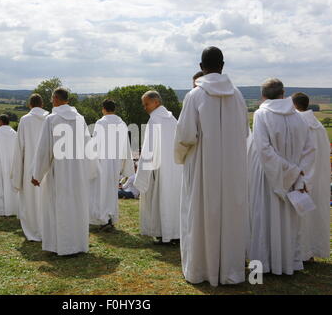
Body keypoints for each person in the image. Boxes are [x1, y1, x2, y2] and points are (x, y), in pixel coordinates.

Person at [174, 47, 249, 286]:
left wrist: (180, 157)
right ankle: (229, 270)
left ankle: (200, 270)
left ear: (201, 65)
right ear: (223, 65)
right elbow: (244, 132)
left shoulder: (194, 96)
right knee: (229, 214)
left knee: (201, 214)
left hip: (202, 168)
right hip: (232, 168)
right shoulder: (237, 95)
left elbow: (185, 136)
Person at [248, 79, 315, 275]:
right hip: (293, 176)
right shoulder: (299, 117)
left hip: (268, 175)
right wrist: (298, 173)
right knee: (288, 222)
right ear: (283, 93)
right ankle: (288, 262)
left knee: (265, 217)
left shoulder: (261, 114)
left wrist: (286, 170)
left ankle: (266, 264)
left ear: (263, 95)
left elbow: (263, 148)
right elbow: (310, 149)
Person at [32, 88, 97, 256]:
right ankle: (77, 244)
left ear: (55, 98)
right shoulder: (80, 118)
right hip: (78, 170)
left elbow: (44, 150)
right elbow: (88, 145)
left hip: (59, 171)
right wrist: (90, 170)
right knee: (76, 206)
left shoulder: (51, 119)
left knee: (58, 206)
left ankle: (60, 245)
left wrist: (37, 174)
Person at [134, 91, 183, 245]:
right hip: (175, 167)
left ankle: (164, 234)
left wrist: (142, 172)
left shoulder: (155, 120)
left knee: (161, 200)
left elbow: (149, 148)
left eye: (146, 104)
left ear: (156, 102)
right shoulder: (173, 119)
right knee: (173, 200)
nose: (145, 108)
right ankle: (175, 233)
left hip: (160, 168)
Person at [292, 92, 330, 261]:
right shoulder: (319, 126)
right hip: (319, 176)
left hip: (302, 175)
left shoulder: (298, 123)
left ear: (294, 105)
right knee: (314, 214)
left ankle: (301, 252)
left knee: (300, 217)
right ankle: (311, 251)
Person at [90, 99, 135, 230]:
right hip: (116, 162)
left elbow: (95, 144)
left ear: (104, 109)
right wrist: (124, 163)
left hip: (102, 161)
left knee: (101, 191)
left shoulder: (101, 122)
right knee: (111, 191)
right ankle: (111, 217)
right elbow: (125, 146)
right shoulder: (122, 124)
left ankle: (104, 219)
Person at [12, 93, 49, 242]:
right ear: (43, 104)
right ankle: (47, 228)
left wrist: (17, 173)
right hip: (47, 165)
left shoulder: (25, 120)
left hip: (29, 165)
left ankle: (33, 229)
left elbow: (19, 147)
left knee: (30, 200)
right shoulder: (50, 118)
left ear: (29, 105)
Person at [0, 114, 19, 217]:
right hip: (13, 163)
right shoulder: (15, 133)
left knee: (0, 187)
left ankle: (1, 210)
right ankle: (14, 209)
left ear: (1, 121)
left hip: (0, 163)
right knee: (12, 186)